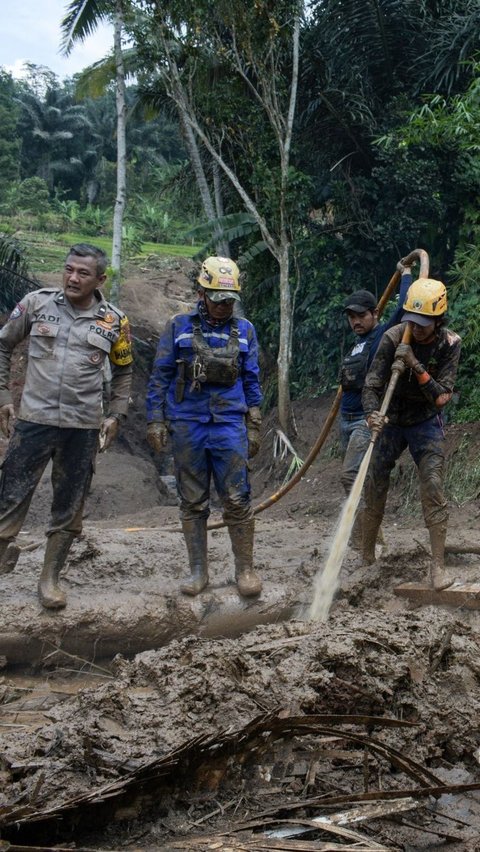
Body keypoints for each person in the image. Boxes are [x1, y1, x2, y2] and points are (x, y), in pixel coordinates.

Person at [0, 243, 133, 609]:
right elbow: (3, 346)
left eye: (83, 273)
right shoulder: (35, 304)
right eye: (69, 269)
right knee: (9, 497)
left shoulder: (114, 321)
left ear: (100, 279)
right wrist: (3, 398)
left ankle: (50, 580)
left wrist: (115, 415)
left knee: (69, 505)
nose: (73, 278)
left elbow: (124, 372)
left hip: (82, 427)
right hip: (33, 421)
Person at [146, 255, 263, 598]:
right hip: (188, 423)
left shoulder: (245, 331)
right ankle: (199, 572)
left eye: (230, 300)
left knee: (237, 498)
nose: (224, 306)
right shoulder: (177, 327)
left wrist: (254, 423)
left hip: (229, 423)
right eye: (217, 299)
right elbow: (160, 376)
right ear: (201, 292)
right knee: (193, 500)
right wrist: (156, 419)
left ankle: (245, 569)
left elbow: (252, 379)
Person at [362, 277, 461, 590]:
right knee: (374, 479)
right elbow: (372, 385)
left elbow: (442, 397)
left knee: (432, 484)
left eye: (423, 324)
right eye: (412, 322)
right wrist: (372, 415)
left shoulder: (449, 343)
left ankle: (438, 567)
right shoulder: (392, 337)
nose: (416, 329)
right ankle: (366, 556)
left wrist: (414, 363)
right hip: (391, 418)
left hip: (425, 420)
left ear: (438, 320)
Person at [340, 261, 412, 547]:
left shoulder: (384, 335)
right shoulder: (356, 343)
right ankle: (372, 536)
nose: (355, 321)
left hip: (364, 418)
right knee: (355, 480)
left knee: (350, 477)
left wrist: (405, 274)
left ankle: (364, 538)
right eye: (351, 317)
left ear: (375, 314)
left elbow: (405, 308)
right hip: (345, 420)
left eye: (360, 316)